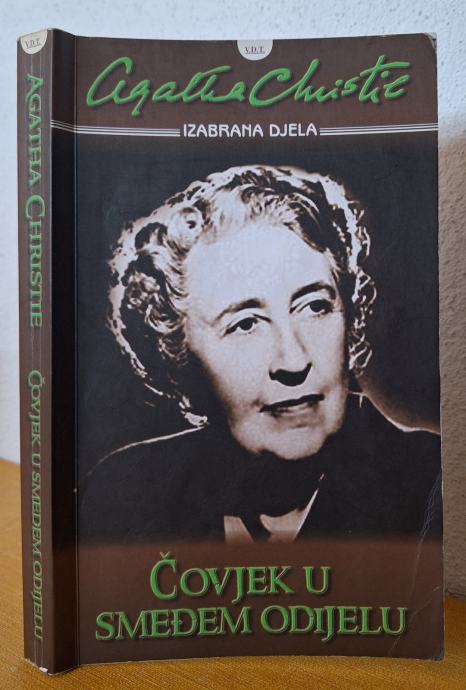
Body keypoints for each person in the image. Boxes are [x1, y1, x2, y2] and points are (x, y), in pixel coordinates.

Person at [80, 165, 441, 545]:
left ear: (349, 316)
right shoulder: (121, 493)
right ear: (177, 353)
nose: (293, 361)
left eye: (315, 306)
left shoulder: (433, 484)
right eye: (246, 324)